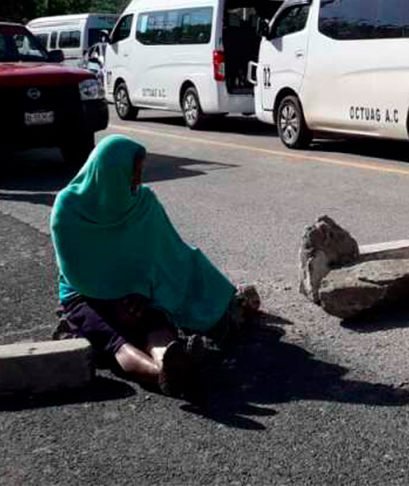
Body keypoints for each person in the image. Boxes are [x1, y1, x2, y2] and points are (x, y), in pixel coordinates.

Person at [50, 135, 259, 396]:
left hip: (135, 291)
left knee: (155, 322)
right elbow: (77, 271)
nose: (137, 182)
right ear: (109, 173)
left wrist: (141, 293)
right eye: (131, 174)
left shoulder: (142, 202)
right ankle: (163, 375)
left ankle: (173, 364)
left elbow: (164, 254)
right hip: (84, 295)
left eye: (139, 173)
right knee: (116, 340)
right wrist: (115, 304)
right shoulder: (69, 209)